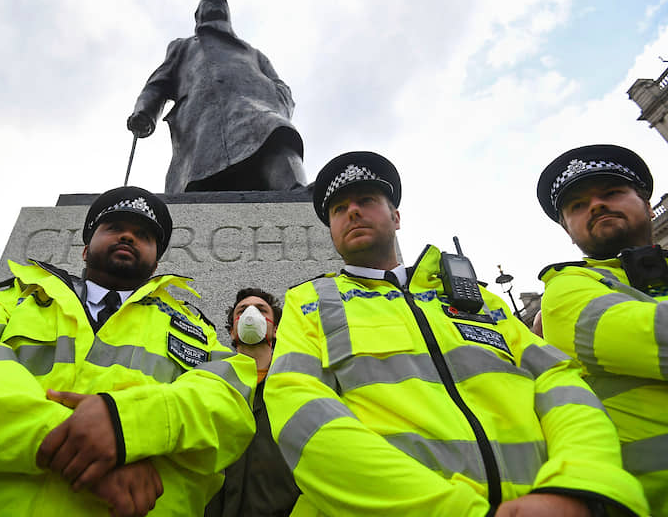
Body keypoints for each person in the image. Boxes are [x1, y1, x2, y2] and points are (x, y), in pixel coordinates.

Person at [264, 151, 648, 516]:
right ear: (331, 229)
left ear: (396, 217)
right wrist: (450, 509)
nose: (352, 212)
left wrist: (577, 483)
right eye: (338, 209)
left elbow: (557, 380)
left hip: (546, 503)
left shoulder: (478, 298)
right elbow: (299, 407)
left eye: (366, 200)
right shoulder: (310, 301)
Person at [0, 187, 257, 516]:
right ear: (84, 250)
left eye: (142, 234)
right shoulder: (6, 299)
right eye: (113, 228)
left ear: (156, 261)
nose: (127, 235)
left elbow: (230, 406)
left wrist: (131, 423)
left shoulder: (197, 329)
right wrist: (85, 444)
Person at [536, 144, 668, 514]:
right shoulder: (566, 290)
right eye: (578, 206)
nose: (595, 205)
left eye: (611, 193)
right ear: (568, 230)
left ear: (645, 202)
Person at [127, 0, 307, 193]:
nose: (216, 3)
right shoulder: (183, 46)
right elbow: (158, 83)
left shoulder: (253, 53)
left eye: (222, 1)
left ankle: (296, 192)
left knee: (277, 132)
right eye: (209, 1)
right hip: (203, 119)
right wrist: (145, 110)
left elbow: (281, 87)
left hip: (255, 110)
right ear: (198, 15)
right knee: (202, 180)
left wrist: (271, 99)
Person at [205, 288, 299, 517]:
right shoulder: (209, 382)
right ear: (232, 330)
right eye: (242, 310)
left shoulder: (296, 385)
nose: (250, 314)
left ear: (275, 328)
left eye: (260, 309)